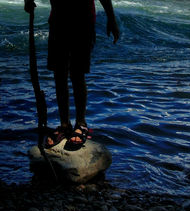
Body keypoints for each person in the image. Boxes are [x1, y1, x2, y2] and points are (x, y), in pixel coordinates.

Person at [24, 0, 120, 150]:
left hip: (83, 20)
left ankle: (81, 124)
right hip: (58, 19)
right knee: (59, 73)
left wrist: (111, 19)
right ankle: (64, 125)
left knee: (77, 73)